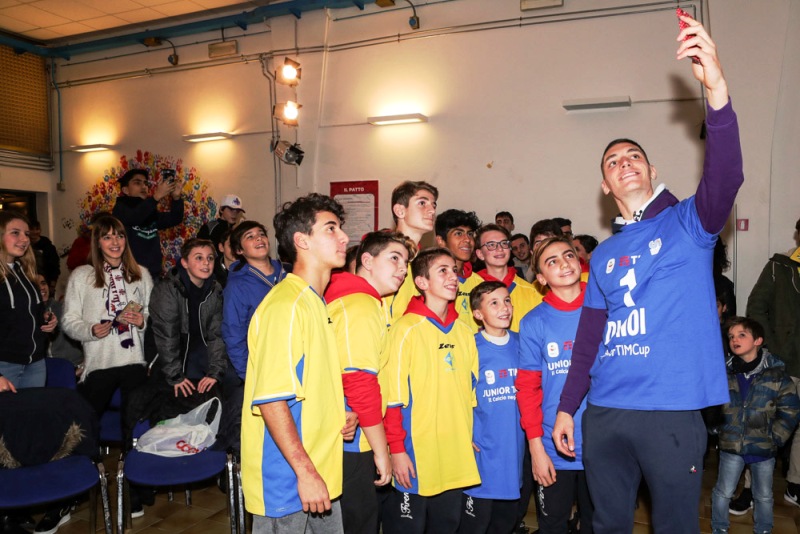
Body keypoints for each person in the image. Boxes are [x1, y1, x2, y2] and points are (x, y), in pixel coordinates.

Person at [552, 16, 744, 532]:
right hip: (606, 411)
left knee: (675, 526)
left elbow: (726, 175)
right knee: (607, 525)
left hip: (671, 411)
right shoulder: (604, 254)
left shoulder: (690, 223)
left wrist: (716, 90)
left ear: (652, 171)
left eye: (634, 155)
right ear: (606, 185)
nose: (625, 162)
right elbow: (589, 339)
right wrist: (568, 408)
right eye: (613, 161)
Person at [241, 193, 354, 533]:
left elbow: (309, 381)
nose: (344, 237)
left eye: (340, 228)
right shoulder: (286, 306)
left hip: (320, 468)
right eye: (331, 228)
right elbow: (271, 399)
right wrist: (305, 472)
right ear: (302, 241)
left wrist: (340, 412)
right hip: (289, 477)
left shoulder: (314, 303)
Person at [381, 247, 480, 534]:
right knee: (408, 528)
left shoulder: (464, 332)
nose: (453, 277)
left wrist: (469, 435)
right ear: (421, 282)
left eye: (454, 271)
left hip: (454, 453)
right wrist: (397, 450)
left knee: (447, 526)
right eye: (443, 271)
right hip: (415, 454)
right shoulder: (405, 329)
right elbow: (393, 398)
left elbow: (470, 394)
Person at [61, 215, 153, 518]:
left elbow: (151, 315)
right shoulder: (82, 276)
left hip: (134, 362)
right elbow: (69, 321)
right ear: (97, 242)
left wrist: (142, 321)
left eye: (120, 236)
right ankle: (72, 491)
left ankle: (134, 489)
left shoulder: (141, 274)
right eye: (108, 237)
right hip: (98, 364)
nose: (115, 242)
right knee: (81, 427)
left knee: (134, 429)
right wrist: (90, 330)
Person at [324, 231, 413, 534]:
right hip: (354, 441)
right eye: (394, 258)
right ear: (367, 260)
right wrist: (380, 450)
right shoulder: (359, 306)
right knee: (359, 523)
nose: (402, 268)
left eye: (405, 262)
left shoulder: (366, 302)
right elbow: (359, 384)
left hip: (355, 432)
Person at [516, 236, 593, 534]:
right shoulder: (534, 321)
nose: (564, 263)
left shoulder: (605, 309)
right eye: (552, 261)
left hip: (604, 443)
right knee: (552, 526)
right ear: (541, 278)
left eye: (568, 255)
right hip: (554, 446)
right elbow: (527, 389)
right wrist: (536, 448)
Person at [710, 317, 800, 534]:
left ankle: (763, 529)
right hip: (731, 445)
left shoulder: (776, 374)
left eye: (742, 335)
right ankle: (719, 528)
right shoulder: (723, 372)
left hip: (763, 447)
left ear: (758, 341)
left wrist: (775, 437)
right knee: (723, 492)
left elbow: (790, 409)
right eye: (731, 336)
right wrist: (718, 428)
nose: (734, 340)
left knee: (764, 496)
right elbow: (712, 403)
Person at [457, 281, 524, 534]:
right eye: (493, 303)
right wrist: (463, 435)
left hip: (513, 453)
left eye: (506, 301)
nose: (504, 308)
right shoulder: (470, 347)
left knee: (505, 523)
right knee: (475, 525)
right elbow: (457, 396)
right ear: (478, 313)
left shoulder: (522, 343)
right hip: (482, 453)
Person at [747, 215, 800, 506]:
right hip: (781, 362)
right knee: (763, 424)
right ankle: (749, 488)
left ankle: (796, 484)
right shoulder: (780, 266)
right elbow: (756, 306)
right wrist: (772, 346)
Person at [148, 238, 227, 411]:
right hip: (171, 360)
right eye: (199, 258)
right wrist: (175, 376)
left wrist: (215, 372)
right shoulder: (167, 289)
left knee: (219, 399)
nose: (206, 263)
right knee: (177, 403)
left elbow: (216, 335)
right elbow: (166, 336)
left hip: (201, 356)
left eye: (210, 258)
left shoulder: (215, 289)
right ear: (184, 263)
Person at [221, 221, 288, 381]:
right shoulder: (237, 285)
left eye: (261, 234)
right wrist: (248, 374)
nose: (259, 238)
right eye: (250, 237)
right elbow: (234, 332)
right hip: (265, 366)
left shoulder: (289, 272)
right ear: (240, 250)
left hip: (295, 358)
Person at [0, 211, 57, 394]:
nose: (24, 239)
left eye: (26, 233)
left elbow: (33, 313)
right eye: (15, 233)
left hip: (35, 364)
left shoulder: (26, 272)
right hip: (5, 366)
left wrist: (47, 319)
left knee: (32, 413)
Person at [112, 168, 184, 280]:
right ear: (125, 190)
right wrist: (156, 197)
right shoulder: (120, 208)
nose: (143, 186)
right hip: (130, 274)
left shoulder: (150, 211)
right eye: (137, 183)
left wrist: (176, 198)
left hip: (153, 275)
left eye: (146, 183)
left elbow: (175, 218)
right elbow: (134, 217)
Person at [384, 180, 439, 324]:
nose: (432, 210)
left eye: (434, 205)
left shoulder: (423, 259)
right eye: (422, 203)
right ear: (400, 211)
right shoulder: (383, 255)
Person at [474, 224, 541, 332]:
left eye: (504, 243)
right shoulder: (470, 289)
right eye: (491, 245)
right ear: (480, 254)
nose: (500, 249)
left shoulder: (531, 291)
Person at [434, 209, 483, 331]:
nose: (467, 239)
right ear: (441, 241)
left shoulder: (479, 283)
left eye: (470, 234)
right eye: (458, 233)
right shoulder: (430, 280)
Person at [29, 220, 61, 294]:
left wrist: (52, 285)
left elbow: (54, 266)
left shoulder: (48, 246)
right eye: (32, 229)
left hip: (46, 281)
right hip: (30, 282)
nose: (34, 232)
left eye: (37, 229)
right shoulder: (24, 245)